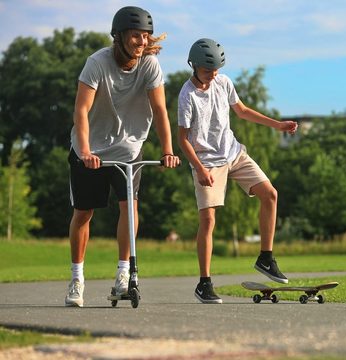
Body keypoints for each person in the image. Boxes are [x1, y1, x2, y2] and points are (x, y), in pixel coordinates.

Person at [65, 6, 180, 307]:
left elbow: (160, 111)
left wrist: (167, 150)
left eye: (145, 36)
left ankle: (123, 274)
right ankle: (77, 278)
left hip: (129, 149)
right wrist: (87, 151)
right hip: (89, 148)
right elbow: (81, 110)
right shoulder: (96, 63)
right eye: (135, 36)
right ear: (119, 36)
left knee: (129, 207)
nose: (141, 42)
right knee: (84, 213)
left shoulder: (150, 65)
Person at [177, 38, 298, 304]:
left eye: (217, 69)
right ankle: (204, 283)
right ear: (194, 66)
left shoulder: (224, 83)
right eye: (209, 70)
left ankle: (266, 258)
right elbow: (182, 139)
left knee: (270, 194)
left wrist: (277, 125)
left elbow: (241, 111)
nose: (214, 74)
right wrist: (199, 168)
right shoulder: (187, 95)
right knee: (208, 220)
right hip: (207, 161)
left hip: (234, 153)